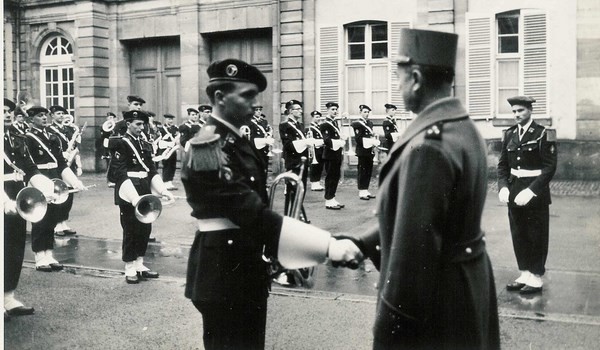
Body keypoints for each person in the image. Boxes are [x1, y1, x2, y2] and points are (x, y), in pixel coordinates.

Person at [181, 58, 362, 350]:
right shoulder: (209, 145)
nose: (255, 105)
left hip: (241, 265)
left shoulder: (236, 140)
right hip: (224, 271)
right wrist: (327, 245)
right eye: (247, 96)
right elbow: (248, 212)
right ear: (219, 97)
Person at [349, 29, 500, 349]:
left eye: (400, 77)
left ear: (416, 78)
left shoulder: (428, 147)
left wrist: (387, 332)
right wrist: (363, 244)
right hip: (464, 290)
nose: (398, 85)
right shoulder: (463, 126)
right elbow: (424, 218)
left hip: (437, 304)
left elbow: (411, 261)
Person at [498, 96, 557, 295]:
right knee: (519, 233)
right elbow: (502, 166)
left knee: (536, 235)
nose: (516, 115)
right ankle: (524, 273)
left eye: (520, 111)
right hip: (514, 192)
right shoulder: (509, 135)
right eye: (514, 111)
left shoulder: (542, 134)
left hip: (535, 194)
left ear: (530, 111)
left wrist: (532, 190)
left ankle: (536, 277)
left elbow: (549, 168)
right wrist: (503, 187)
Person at [3, 98, 55, 319]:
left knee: (14, 247)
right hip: (3, 196)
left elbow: (30, 169)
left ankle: (8, 296)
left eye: (8, 111)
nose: (7, 115)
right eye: (2, 111)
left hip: (18, 196)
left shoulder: (15, 137)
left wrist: (47, 187)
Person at [112, 110, 174, 284]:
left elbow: (151, 170)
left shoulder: (144, 143)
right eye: (138, 124)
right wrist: (133, 197)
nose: (142, 127)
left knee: (145, 228)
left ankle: (139, 263)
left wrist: (162, 190)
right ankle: (129, 267)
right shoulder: (120, 143)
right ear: (128, 124)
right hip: (128, 190)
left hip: (144, 188)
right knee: (130, 228)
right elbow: (119, 173)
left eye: (143, 124)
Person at [24, 106, 86, 272]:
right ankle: (39, 256)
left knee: (52, 217)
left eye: (45, 115)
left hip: (54, 178)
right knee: (40, 219)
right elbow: (28, 166)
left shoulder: (52, 137)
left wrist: (74, 181)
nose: (44, 118)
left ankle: (49, 253)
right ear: (31, 119)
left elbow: (61, 163)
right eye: (39, 116)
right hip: (39, 178)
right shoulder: (28, 138)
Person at [47, 106, 79, 236]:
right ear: (52, 116)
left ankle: (64, 222)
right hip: (58, 165)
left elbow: (75, 146)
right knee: (59, 194)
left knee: (69, 195)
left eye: (63, 113)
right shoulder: (49, 130)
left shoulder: (69, 129)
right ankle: (56, 225)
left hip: (69, 165)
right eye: (58, 113)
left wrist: (77, 163)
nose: (61, 116)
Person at [320, 102, 346, 210]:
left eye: (336, 109)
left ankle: (332, 198)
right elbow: (326, 140)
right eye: (333, 109)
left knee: (336, 176)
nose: (335, 111)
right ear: (328, 110)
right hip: (330, 154)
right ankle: (328, 200)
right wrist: (339, 143)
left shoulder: (334, 123)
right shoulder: (325, 124)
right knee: (330, 177)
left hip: (336, 154)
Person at [351, 104, 378, 200]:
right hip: (362, 151)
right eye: (365, 112)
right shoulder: (357, 124)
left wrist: (374, 140)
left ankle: (366, 189)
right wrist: (371, 141)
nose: (367, 114)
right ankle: (361, 191)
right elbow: (358, 139)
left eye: (368, 112)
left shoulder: (370, 123)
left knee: (368, 170)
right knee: (362, 170)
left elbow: (370, 135)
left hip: (369, 150)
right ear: (360, 113)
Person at [157, 113, 179, 190]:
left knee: (173, 164)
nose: (170, 121)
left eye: (171, 119)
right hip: (165, 149)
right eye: (169, 119)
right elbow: (159, 138)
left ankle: (170, 181)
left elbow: (177, 136)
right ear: (165, 119)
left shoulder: (175, 128)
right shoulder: (161, 128)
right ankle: (165, 181)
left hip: (172, 149)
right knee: (166, 164)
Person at [307, 110, 325, 191]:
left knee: (320, 166)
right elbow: (310, 140)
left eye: (319, 117)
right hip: (315, 149)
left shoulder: (319, 127)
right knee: (314, 167)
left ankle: (317, 182)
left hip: (321, 149)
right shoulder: (310, 128)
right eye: (316, 117)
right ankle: (314, 184)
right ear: (312, 118)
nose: (318, 119)